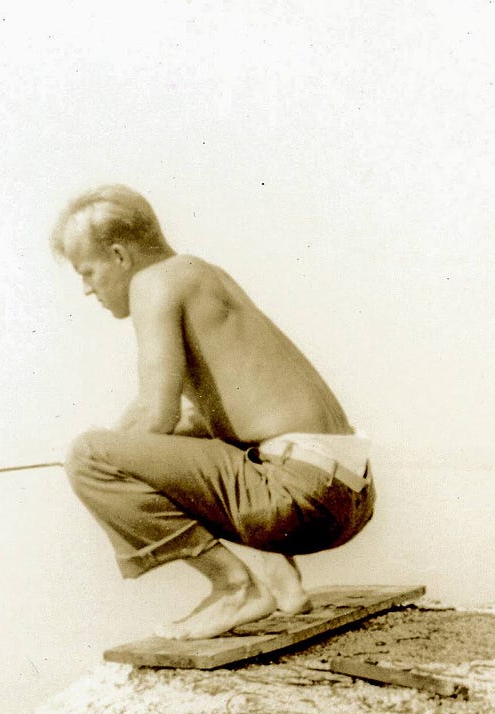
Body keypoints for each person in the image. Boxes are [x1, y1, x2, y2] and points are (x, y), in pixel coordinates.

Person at [55, 185, 375, 640]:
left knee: (88, 455)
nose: (87, 289)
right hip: (348, 495)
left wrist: (96, 459)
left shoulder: (153, 281)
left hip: (300, 494)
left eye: (87, 272)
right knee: (178, 442)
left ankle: (235, 588)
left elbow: (155, 413)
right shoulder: (198, 274)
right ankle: (279, 579)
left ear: (120, 255)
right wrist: (123, 447)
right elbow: (189, 422)